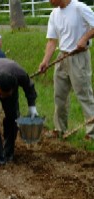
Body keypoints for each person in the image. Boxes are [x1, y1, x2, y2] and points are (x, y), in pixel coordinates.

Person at [38, 0, 94, 140]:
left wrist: (84, 38)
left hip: (78, 57)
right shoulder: (54, 14)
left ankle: (92, 133)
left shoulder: (79, 8)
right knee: (59, 95)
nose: (49, 1)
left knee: (84, 94)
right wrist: (45, 61)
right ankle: (60, 129)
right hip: (62, 57)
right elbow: (52, 41)